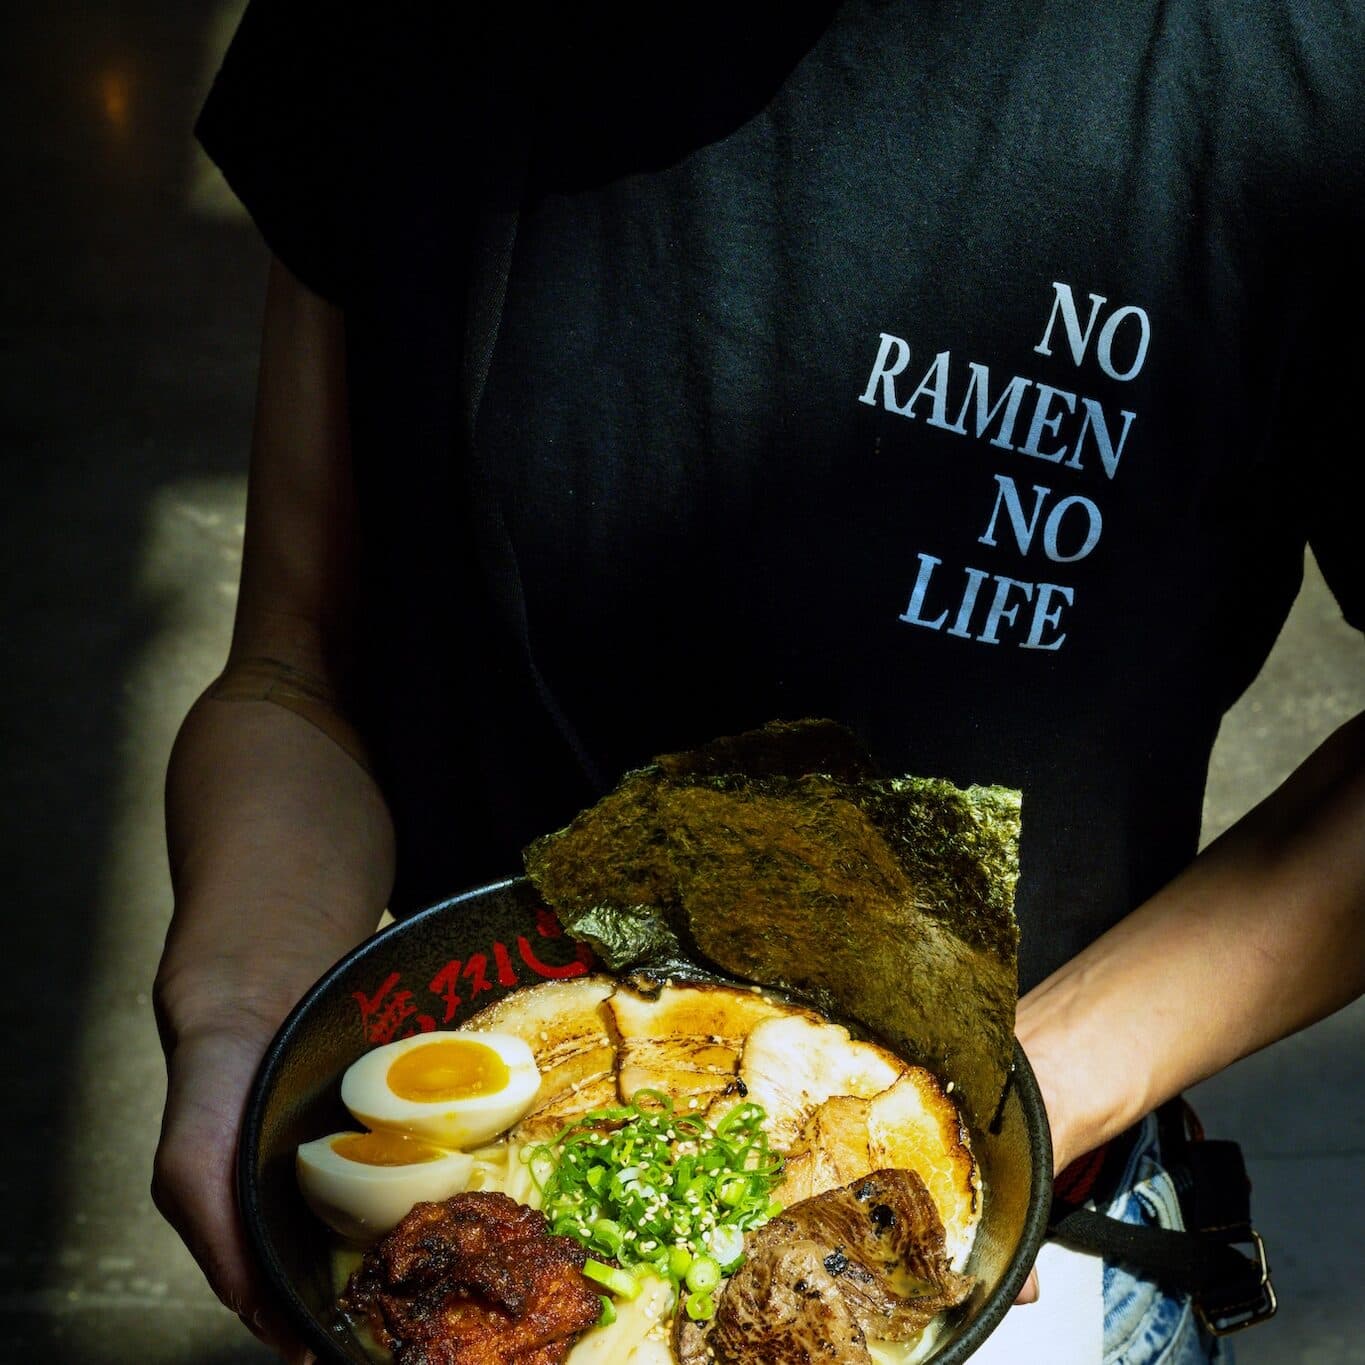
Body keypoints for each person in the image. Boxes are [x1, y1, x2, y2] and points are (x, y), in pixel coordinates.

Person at [153, 3, 1365, 1361]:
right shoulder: (392, 38)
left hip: (1013, 1280)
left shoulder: (1293, 55)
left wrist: (993, 1123)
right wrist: (239, 1009)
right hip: (469, 1269)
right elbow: (291, 669)